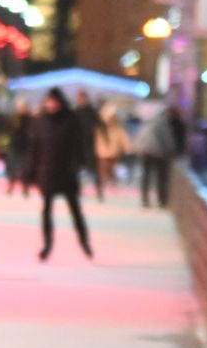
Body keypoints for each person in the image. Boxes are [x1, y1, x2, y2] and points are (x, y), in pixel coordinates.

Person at [30, 86, 93, 260]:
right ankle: (47, 245)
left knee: (75, 210)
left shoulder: (71, 120)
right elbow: (36, 149)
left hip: (67, 174)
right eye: (49, 101)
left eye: (54, 101)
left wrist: (76, 166)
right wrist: (32, 173)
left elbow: (78, 146)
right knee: (46, 211)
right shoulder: (40, 122)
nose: (51, 104)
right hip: (47, 172)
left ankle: (84, 242)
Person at [136, 102, 182, 208]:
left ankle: (145, 199)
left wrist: (139, 148)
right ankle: (162, 201)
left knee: (146, 176)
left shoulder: (148, 121)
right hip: (157, 152)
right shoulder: (163, 122)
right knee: (161, 177)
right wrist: (172, 150)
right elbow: (167, 139)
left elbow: (140, 136)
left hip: (145, 152)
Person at [93, 102, 131, 198]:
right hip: (102, 154)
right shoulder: (100, 129)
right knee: (102, 173)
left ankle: (111, 190)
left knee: (112, 172)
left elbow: (123, 139)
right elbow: (96, 141)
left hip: (113, 153)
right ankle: (101, 190)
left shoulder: (117, 128)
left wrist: (128, 148)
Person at [72, 90, 105, 200]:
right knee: (76, 170)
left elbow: (100, 124)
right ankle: (77, 191)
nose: (81, 100)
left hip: (90, 144)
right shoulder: (76, 111)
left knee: (94, 169)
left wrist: (103, 137)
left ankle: (99, 191)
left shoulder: (91, 111)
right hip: (78, 144)